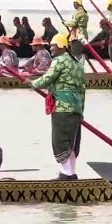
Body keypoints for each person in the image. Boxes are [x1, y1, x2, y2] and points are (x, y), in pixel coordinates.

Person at [27, 34, 86, 180]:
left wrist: (32, 83)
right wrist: (81, 111)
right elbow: (83, 89)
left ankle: (66, 173)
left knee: (60, 140)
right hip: (76, 108)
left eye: (53, 46)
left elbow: (48, 78)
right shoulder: (77, 63)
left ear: (61, 46)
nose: (51, 49)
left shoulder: (59, 60)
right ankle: (72, 172)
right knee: (72, 141)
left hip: (62, 107)